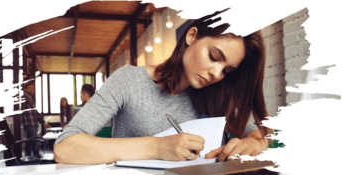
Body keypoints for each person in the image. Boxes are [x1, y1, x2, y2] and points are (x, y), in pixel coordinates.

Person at [54, 9, 271, 164]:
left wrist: (254, 144)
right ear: (192, 36)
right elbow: (65, 148)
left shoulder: (216, 94)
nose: (216, 73)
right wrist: (157, 147)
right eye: (213, 57)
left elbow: (258, 133)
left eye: (226, 71)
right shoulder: (129, 80)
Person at [21, 81, 51, 156]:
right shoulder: (24, 98)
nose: (32, 90)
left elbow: (35, 112)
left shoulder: (30, 100)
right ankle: (37, 156)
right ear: (25, 89)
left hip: (33, 123)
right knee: (35, 140)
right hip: (29, 123)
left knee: (29, 140)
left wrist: (42, 122)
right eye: (29, 88)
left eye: (32, 88)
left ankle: (27, 157)